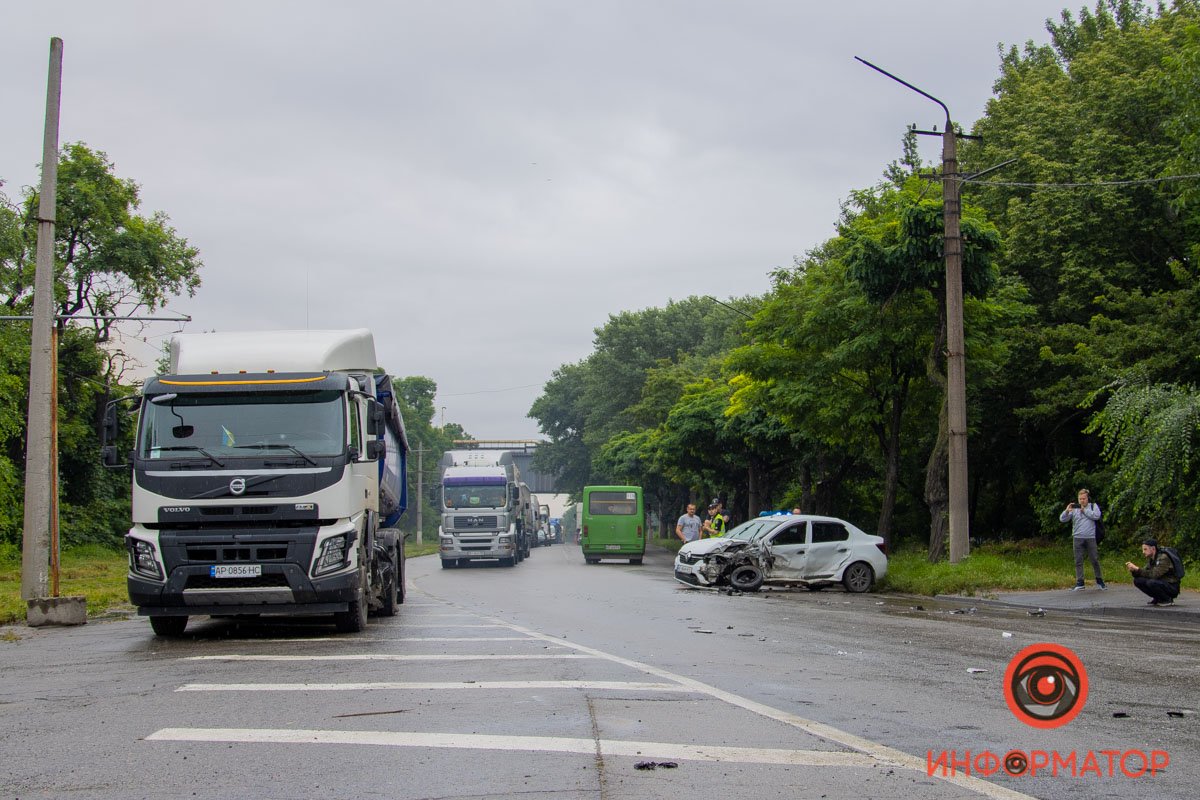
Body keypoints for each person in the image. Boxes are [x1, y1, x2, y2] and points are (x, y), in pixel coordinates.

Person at [1059, 488, 1106, 591]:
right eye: (1080, 499)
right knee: (1078, 560)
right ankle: (1080, 582)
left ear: (1087, 498)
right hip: (1077, 537)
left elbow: (1097, 516)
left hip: (1090, 537)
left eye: (1084, 498)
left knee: (1094, 559)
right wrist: (1066, 511)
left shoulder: (1093, 506)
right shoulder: (1074, 509)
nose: (1082, 501)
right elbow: (1062, 519)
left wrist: (1084, 510)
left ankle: (1099, 580)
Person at [1125, 538, 1180, 606]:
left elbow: (1154, 575)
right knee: (1138, 581)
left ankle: (1167, 600)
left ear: (1153, 548)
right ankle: (1158, 598)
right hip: (1161, 583)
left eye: (1145, 549)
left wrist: (1137, 569)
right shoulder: (1152, 559)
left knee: (1151, 582)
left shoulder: (1163, 558)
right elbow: (1145, 573)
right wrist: (1134, 571)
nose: (1143, 552)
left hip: (1171, 586)